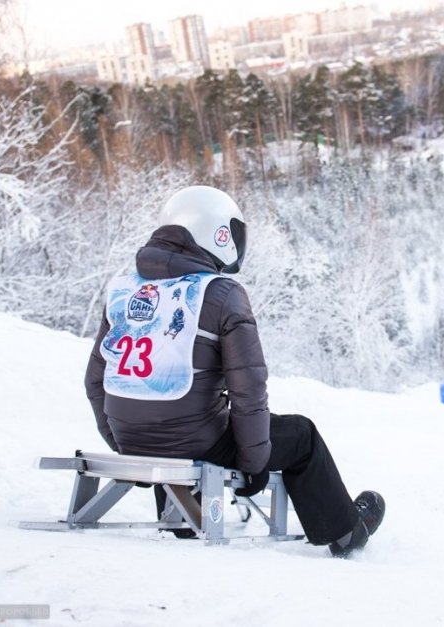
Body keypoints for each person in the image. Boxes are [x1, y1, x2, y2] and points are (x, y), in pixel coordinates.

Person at [84, 185, 384, 558]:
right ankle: (343, 532)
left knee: (175, 411)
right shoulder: (222, 293)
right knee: (301, 435)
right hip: (196, 440)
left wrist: (124, 444)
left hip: (132, 439)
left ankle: (181, 519)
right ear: (219, 233)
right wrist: (253, 462)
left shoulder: (124, 289)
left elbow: (96, 379)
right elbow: (248, 389)